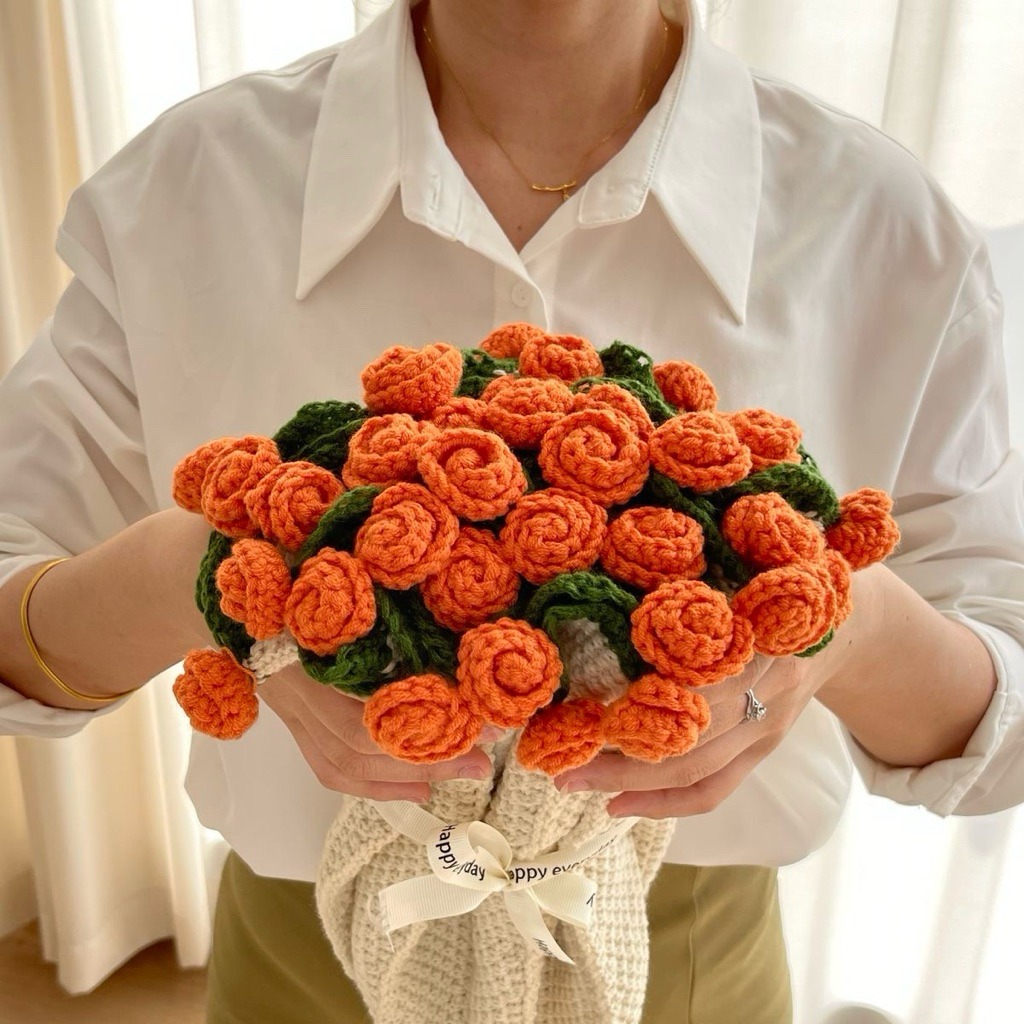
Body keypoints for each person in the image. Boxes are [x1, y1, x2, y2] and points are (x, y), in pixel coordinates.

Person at [1, 0, 1022, 1020]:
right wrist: (199, 575)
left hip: (688, 976)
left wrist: (846, 624)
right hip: (302, 967)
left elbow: (1001, 716)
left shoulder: (882, 226)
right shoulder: (190, 187)